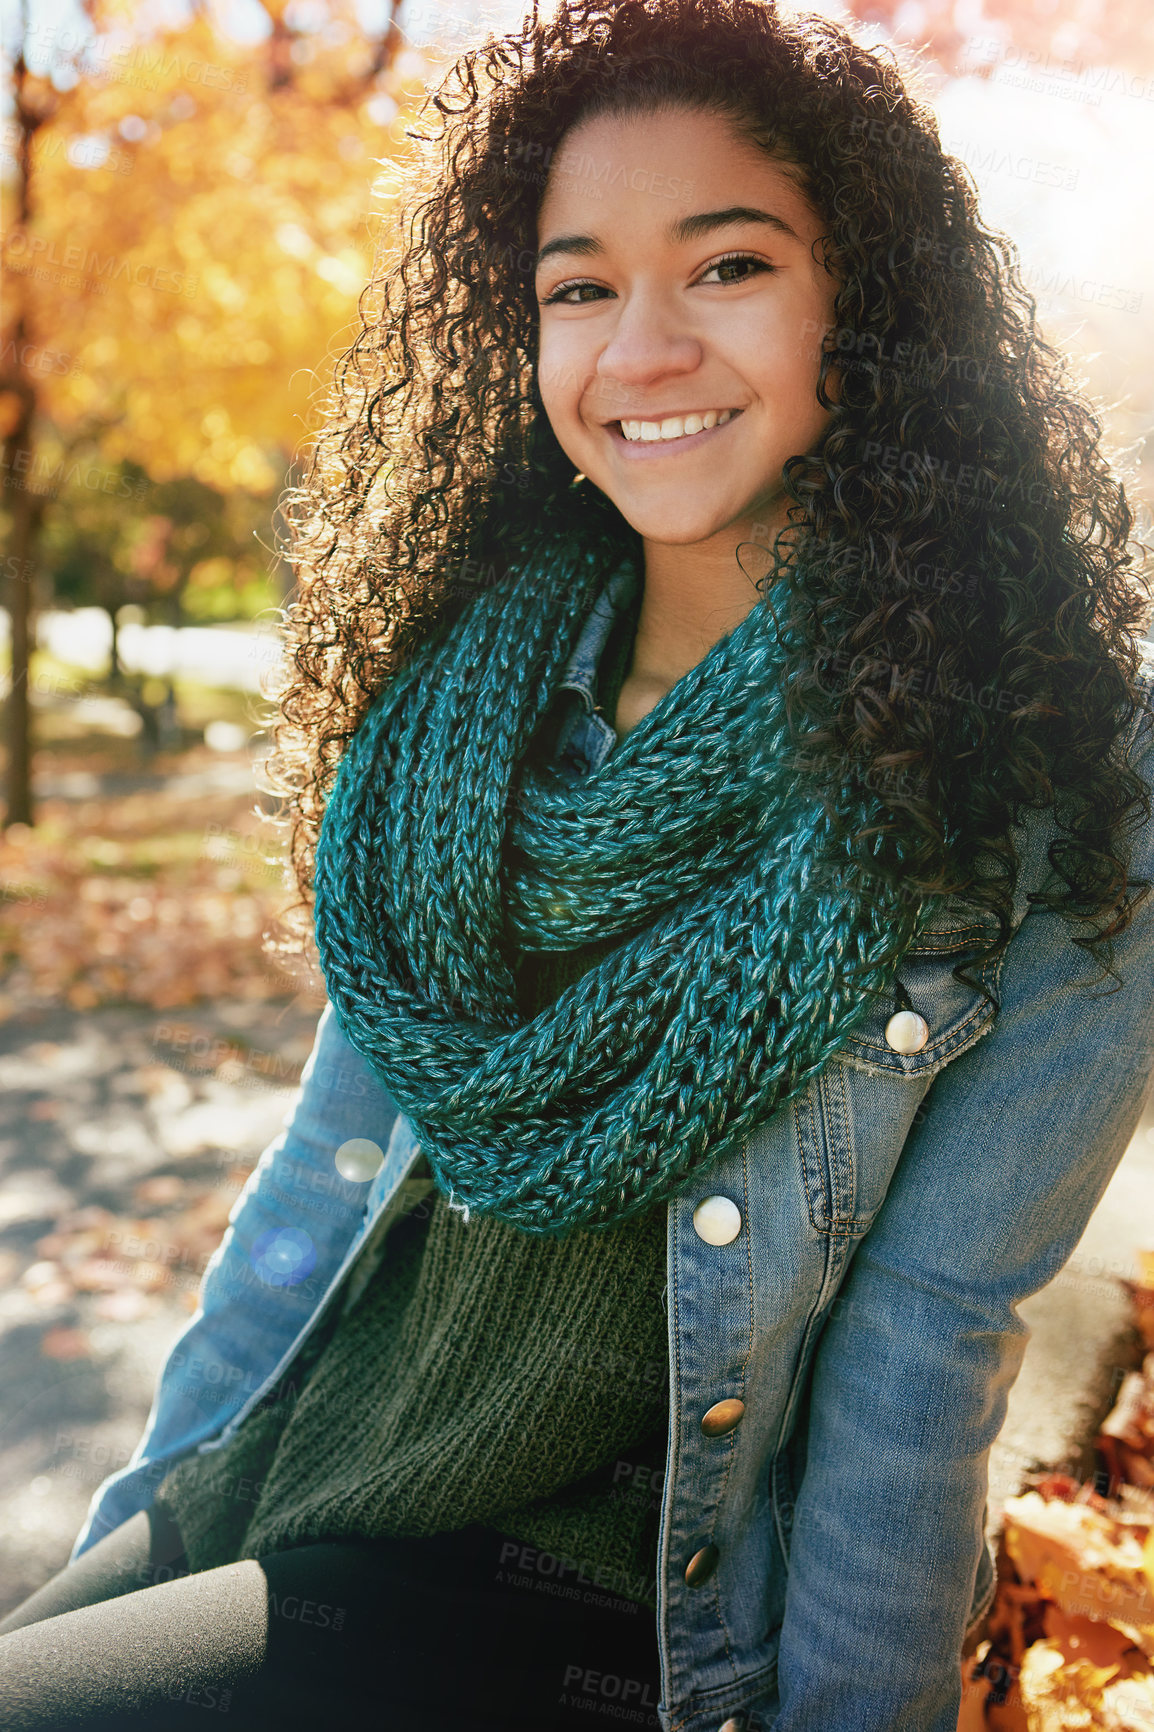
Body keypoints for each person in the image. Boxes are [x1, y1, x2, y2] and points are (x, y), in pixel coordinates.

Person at [2, 1, 1152, 1728]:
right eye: (578, 286)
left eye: (728, 265)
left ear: (867, 311)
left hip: (611, 1608)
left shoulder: (1049, 783)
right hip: (307, 1487)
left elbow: (923, 1361)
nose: (642, 349)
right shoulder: (459, 707)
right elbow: (307, 1216)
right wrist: (137, 1549)